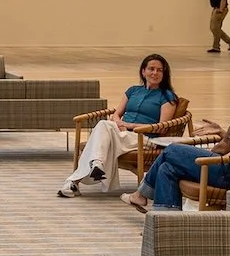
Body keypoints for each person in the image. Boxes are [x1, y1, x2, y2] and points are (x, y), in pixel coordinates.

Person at [125, 66, 230, 213]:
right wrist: (221, 132)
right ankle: (165, 218)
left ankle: (140, 194)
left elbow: (225, 147)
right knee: (167, 168)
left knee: (172, 150)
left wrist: (204, 156)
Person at [58, 53, 179, 197]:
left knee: (104, 128)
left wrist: (129, 125)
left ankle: (77, 179)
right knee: (105, 125)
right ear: (143, 71)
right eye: (151, 69)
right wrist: (118, 122)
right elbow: (116, 113)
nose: (155, 73)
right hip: (121, 133)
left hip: (144, 138)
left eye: (159, 70)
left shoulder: (167, 97)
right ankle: (92, 167)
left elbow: (162, 127)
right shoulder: (133, 90)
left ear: (164, 74)